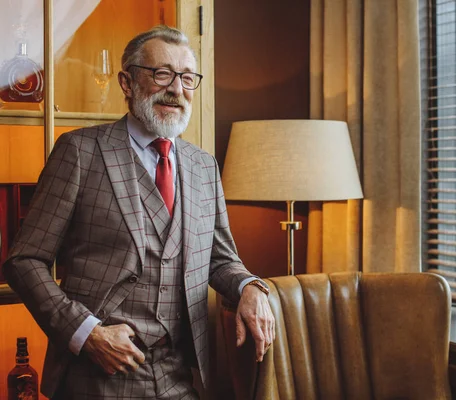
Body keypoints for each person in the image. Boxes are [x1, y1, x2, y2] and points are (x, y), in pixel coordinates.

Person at [2, 25, 275, 399]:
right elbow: (23, 260)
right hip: (95, 377)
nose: (176, 89)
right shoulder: (80, 152)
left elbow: (220, 259)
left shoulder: (203, 166)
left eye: (187, 78)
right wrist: (87, 333)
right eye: (161, 73)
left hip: (179, 377)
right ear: (127, 82)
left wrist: (250, 287)